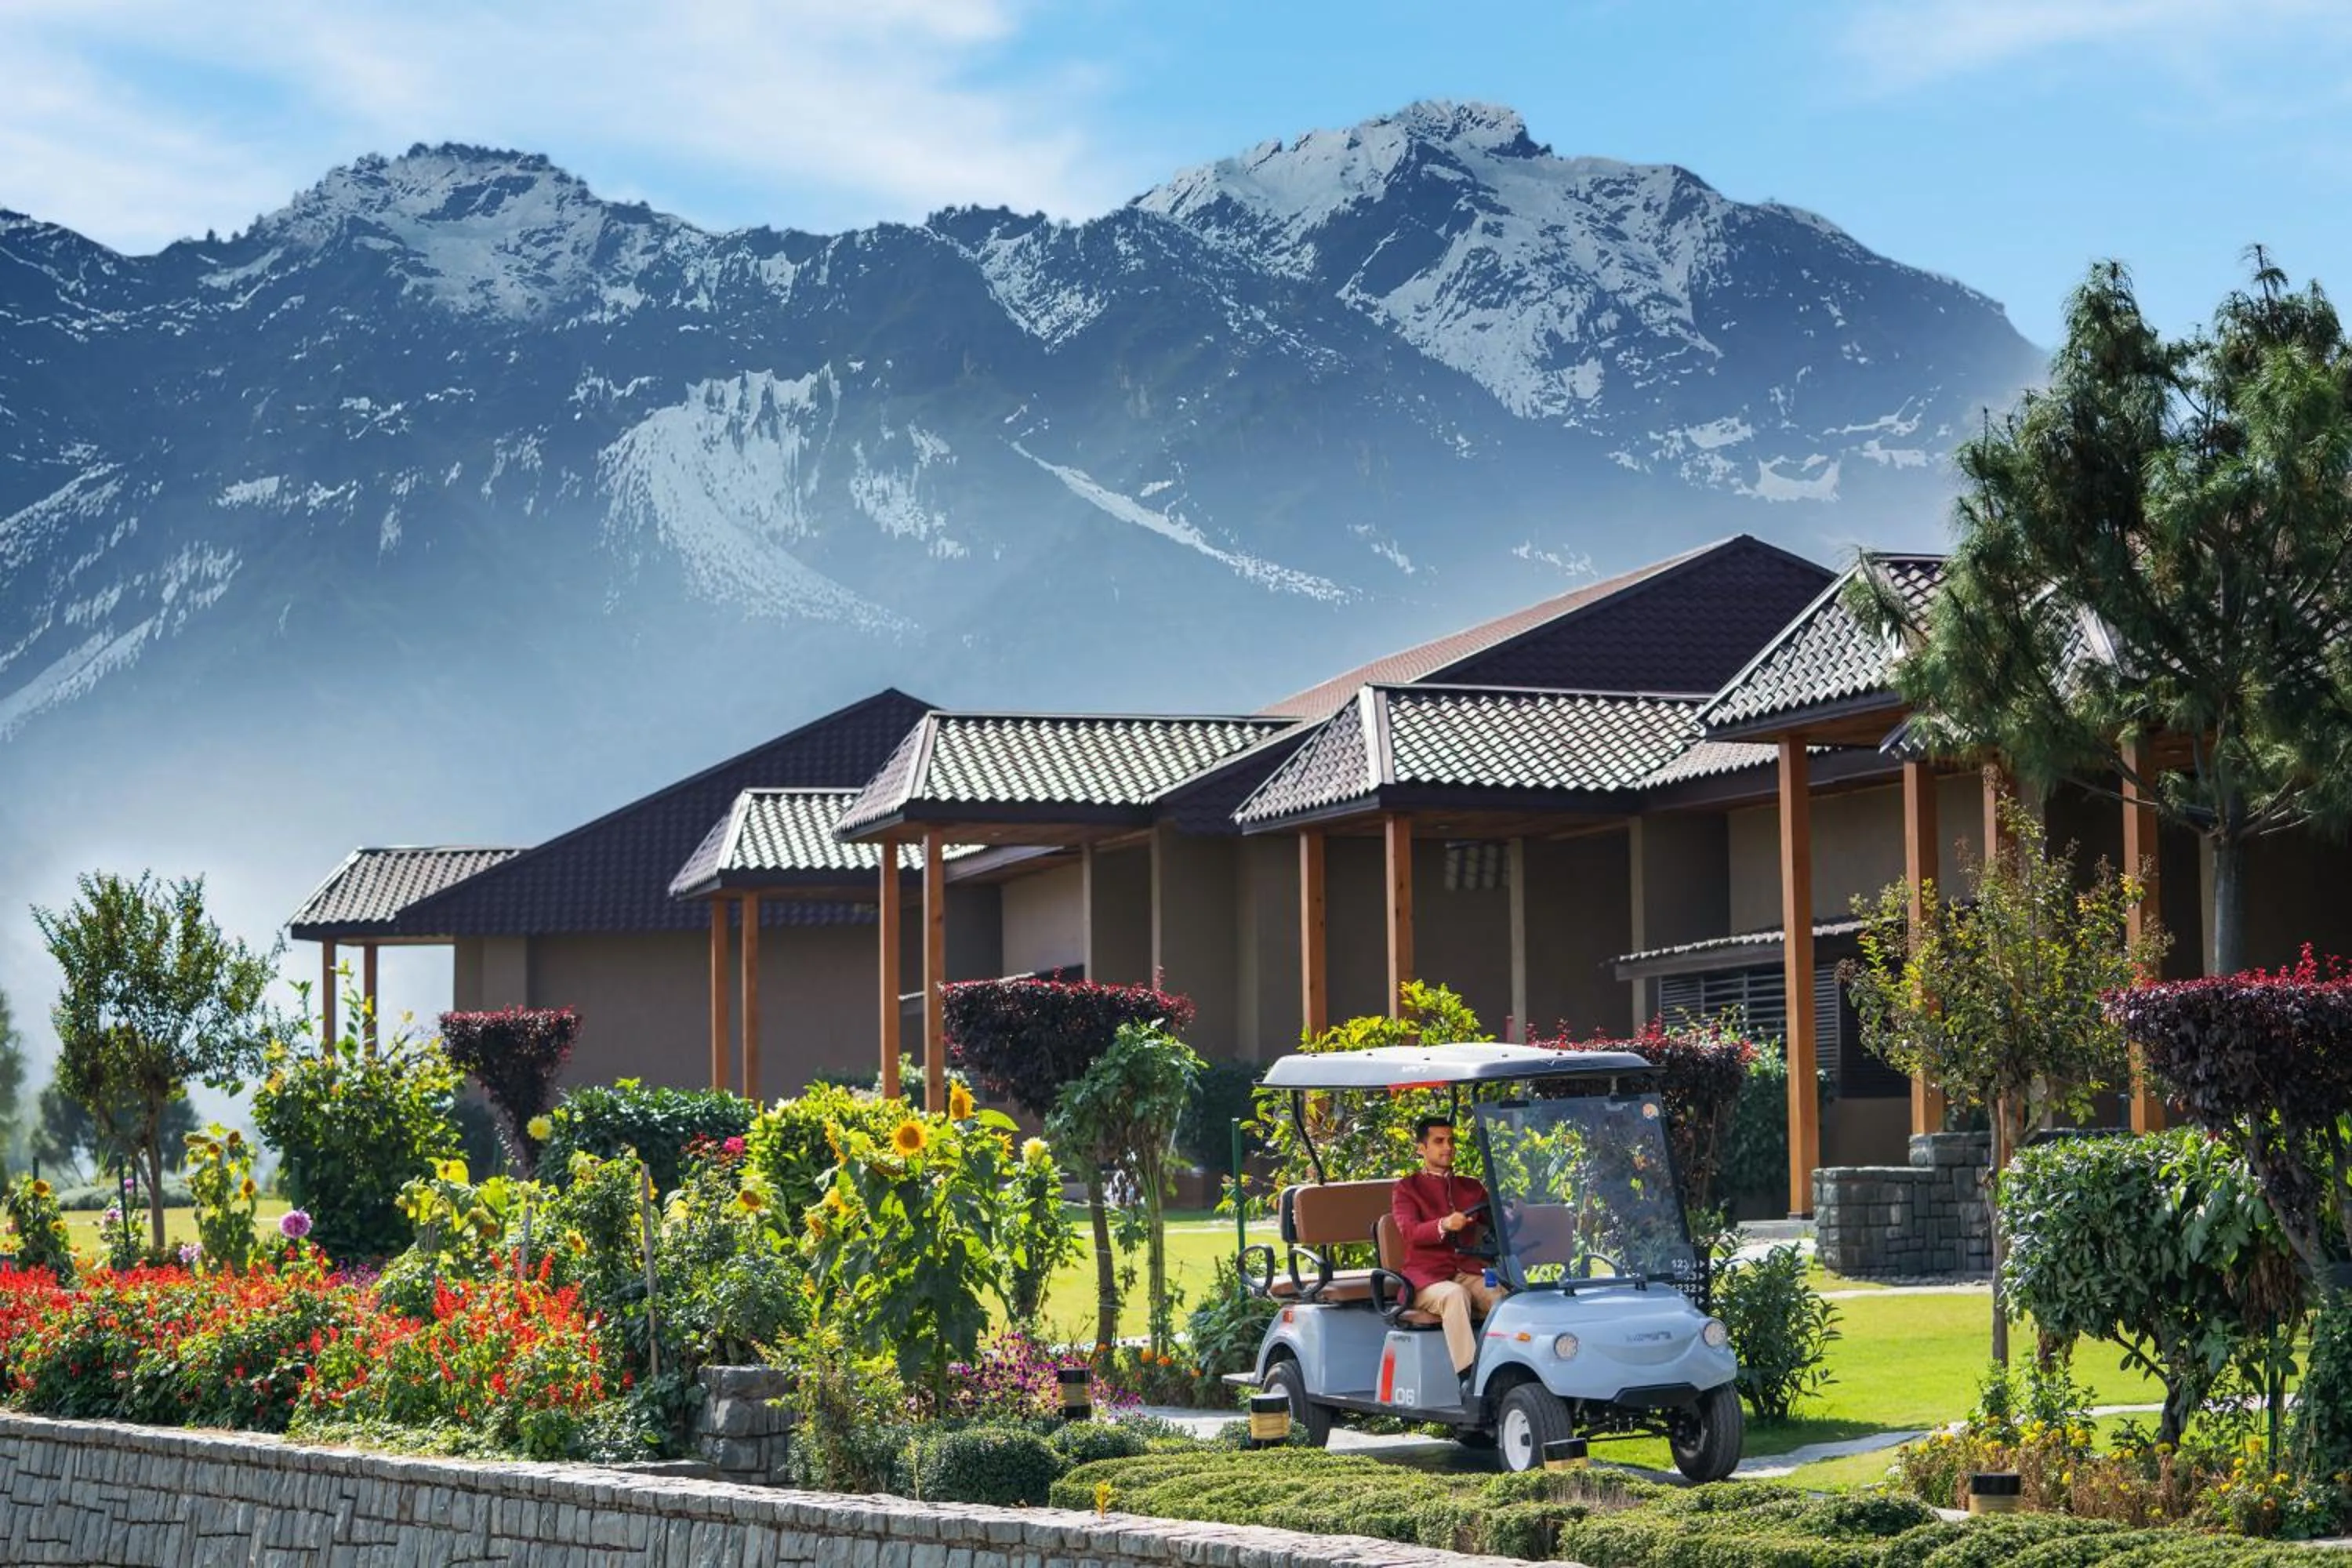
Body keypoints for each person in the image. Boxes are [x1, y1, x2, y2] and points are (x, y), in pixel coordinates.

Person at [1389, 1114, 1503, 1384]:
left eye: (1451, 1141)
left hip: (1466, 1269)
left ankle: (1506, 1370)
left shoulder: (1471, 1187)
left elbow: (1496, 1221)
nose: (1447, 1147)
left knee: (1501, 1296)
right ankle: (1470, 1379)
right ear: (1422, 1148)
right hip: (1426, 1278)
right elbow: (1411, 1232)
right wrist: (1444, 1224)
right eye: (1439, 1141)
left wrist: (1511, 1214)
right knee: (1455, 1295)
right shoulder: (1406, 1189)